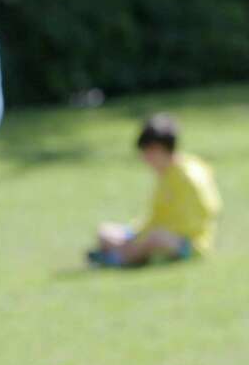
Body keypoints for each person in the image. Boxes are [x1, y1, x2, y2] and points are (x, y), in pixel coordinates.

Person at [88, 114, 221, 268]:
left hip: (189, 244)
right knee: (105, 232)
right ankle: (122, 255)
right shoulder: (165, 173)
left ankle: (120, 259)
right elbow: (155, 216)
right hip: (154, 233)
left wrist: (149, 234)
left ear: (158, 148)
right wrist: (134, 233)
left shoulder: (190, 176)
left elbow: (207, 212)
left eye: (146, 152)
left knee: (155, 238)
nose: (144, 159)